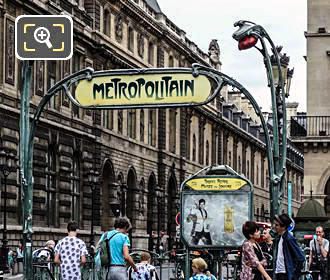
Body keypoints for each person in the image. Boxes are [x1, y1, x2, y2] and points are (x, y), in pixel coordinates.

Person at [273, 213, 305, 280]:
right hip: (280, 273)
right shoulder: (280, 238)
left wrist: (294, 274)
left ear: (283, 226)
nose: (274, 226)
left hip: (286, 274)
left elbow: (301, 257)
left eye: (277, 225)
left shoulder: (289, 238)